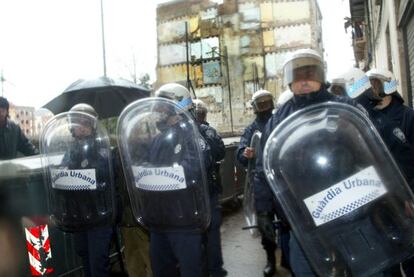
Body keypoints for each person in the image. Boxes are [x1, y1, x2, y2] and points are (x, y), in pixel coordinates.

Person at [254, 49, 360, 276]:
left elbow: (372, 154)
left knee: (359, 267)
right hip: (301, 217)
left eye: (309, 75)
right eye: (297, 76)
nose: (303, 82)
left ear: (321, 77)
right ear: (289, 82)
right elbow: (264, 168)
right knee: (305, 271)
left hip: (349, 210)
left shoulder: (345, 110)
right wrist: (262, 209)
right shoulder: (278, 121)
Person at [148, 83, 213, 277]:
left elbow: (198, 166)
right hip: (160, 218)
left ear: (175, 107)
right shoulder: (159, 139)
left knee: (191, 270)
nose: (158, 112)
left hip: (185, 218)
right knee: (162, 270)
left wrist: (167, 174)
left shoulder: (192, 134)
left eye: (162, 107)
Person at [62, 103, 114, 277]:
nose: (80, 127)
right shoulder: (72, 149)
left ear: (92, 125)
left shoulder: (101, 146)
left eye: (84, 123)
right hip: (79, 214)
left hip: (99, 215)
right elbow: (64, 172)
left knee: (98, 263)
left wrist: (81, 172)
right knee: (84, 257)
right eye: (77, 123)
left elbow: (103, 172)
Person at [236, 89, 284, 277]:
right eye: (260, 103)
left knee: (288, 219)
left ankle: (288, 254)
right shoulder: (251, 129)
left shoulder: (279, 122)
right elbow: (241, 150)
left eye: (266, 102)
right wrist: (244, 153)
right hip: (261, 181)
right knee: (265, 222)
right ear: (255, 107)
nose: (263, 107)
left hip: (281, 178)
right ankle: (271, 258)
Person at [193, 98, 227, 277]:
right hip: (208, 191)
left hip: (201, 191)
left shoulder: (204, 132)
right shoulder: (208, 131)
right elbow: (220, 153)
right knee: (211, 233)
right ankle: (215, 269)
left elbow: (218, 153)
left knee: (206, 233)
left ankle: (210, 268)